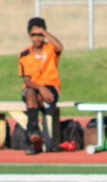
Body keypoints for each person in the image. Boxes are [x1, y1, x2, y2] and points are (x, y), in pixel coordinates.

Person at [18, 17, 64, 156]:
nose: (37, 38)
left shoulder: (50, 49)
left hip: (51, 87)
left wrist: (45, 32)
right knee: (30, 91)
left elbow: (60, 47)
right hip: (34, 89)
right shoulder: (24, 54)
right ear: (29, 36)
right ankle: (34, 131)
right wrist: (40, 88)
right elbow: (27, 80)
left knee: (33, 94)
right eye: (34, 34)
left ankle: (32, 137)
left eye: (39, 34)